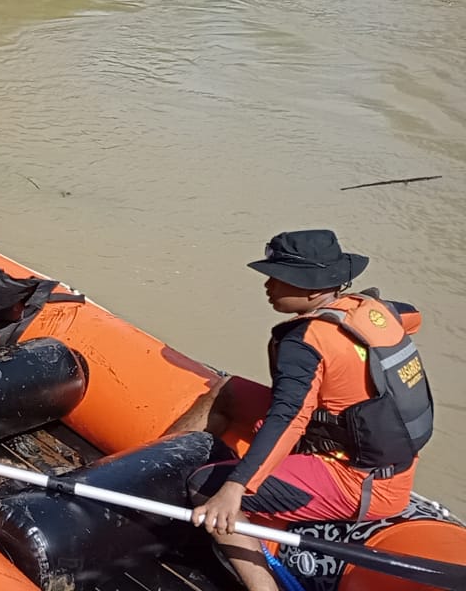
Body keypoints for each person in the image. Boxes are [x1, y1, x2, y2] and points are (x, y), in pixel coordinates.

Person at [167, 230, 434, 591]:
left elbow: (288, 418)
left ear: (312, 289)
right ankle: (156, 459)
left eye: (278, 278)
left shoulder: (304, 342)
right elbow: (411, 316)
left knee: (205, 485)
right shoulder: (376, 311)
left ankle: (263, 587)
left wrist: (236, 486)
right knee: (228, 391)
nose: (268, 285)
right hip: (370, 453)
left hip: (356, 481)